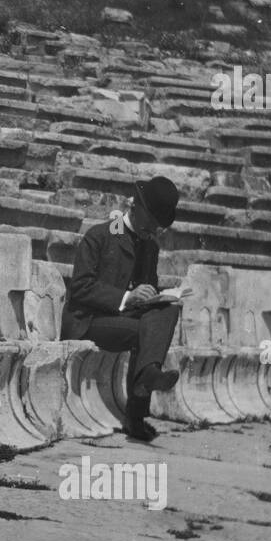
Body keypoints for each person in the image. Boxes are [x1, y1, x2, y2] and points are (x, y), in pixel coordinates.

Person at [61, 176, 182, 442]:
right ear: (134, 207)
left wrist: (156, 298)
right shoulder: (101, 234)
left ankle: (148, 374)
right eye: (150, 224)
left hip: (123, 319)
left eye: (156, 228)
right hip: (88, 319)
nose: (152, 232)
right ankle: (137, 416)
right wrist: (128, 297)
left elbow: (146, 289)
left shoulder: (150, 245)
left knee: (169, 311)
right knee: (146, 332)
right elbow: (81, 288)